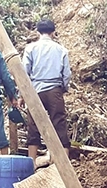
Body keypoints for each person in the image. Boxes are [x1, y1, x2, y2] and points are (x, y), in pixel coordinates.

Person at [21, 19, 71, 164]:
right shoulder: (61, 49)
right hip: (55, 90)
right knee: (59, 123)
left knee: (34, 124)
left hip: (35, 91)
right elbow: (66, 74)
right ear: (53, 32)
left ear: (38, 32)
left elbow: (24, 72)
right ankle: (63, 162)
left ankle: (31, 162)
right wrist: (63, 88)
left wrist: (23, 94)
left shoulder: (30, 48)